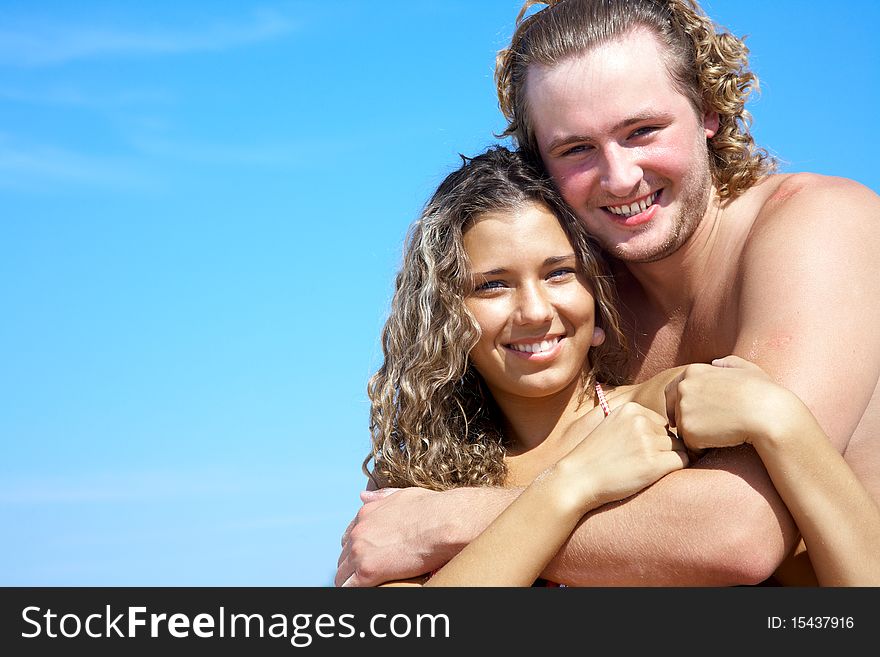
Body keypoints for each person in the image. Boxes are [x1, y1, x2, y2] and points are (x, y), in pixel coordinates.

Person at [338, 0, 880, 587]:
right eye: (576, 149)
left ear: (707, 109)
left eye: (643, 131)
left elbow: (736, 534)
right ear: (539, 162)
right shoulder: (574, 297)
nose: (620, 177)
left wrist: (442, 520)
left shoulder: (818, 227)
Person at [352, 145, 691, 586]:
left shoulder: (663, 414)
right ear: (444, 319)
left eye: (558, 273)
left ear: (597, 291)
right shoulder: (418, 479)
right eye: (493, 285)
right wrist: (570, 486)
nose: (534, 312)